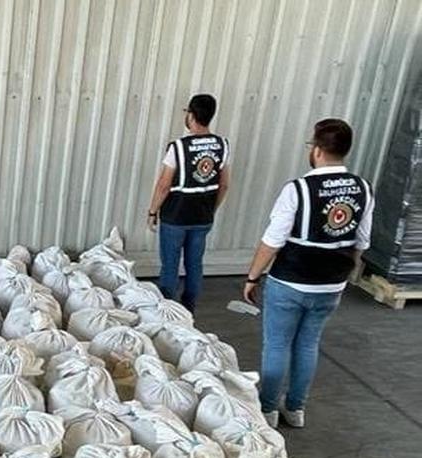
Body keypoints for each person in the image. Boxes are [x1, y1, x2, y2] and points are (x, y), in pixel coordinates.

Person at [242, 118, 373, 429]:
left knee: (277, 344)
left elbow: (273, 241)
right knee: (308, 343)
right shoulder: (363, 189)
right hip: (330, 286)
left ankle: (269, 410)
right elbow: (361, 242)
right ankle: (296, 408)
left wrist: (252, 277)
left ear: (316, 150)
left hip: (290, 281)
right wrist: (341, 273)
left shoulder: (298, 190)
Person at [146, 93, 231, 312]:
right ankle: (189, 308)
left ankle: (167, 312)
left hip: (175, 216)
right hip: (203, 217)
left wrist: (153, 211)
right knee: (195, 264)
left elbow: (164, 185)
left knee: (170, 266)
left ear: (191, 115)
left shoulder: (178, 148)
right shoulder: (222, 145)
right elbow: (224, 185)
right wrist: (212, 209)